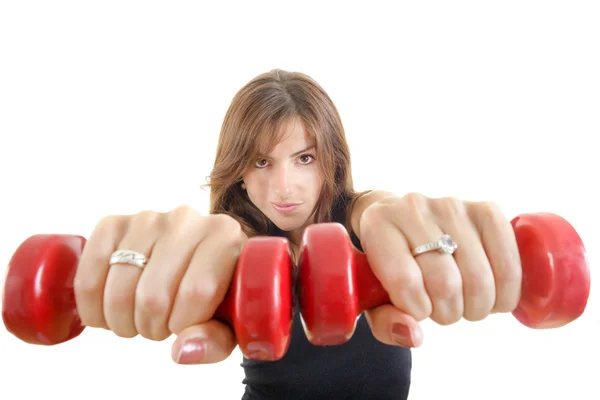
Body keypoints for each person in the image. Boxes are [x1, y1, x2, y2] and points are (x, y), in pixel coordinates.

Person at [73, 69, 523, 399]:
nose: (284, 187)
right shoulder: (235, 246)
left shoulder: (367, 222)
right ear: (239, 175)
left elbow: (375, 207)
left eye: (304, 159)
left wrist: (390, 212)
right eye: (262, 162)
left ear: (332, 161)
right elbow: (229, 235)